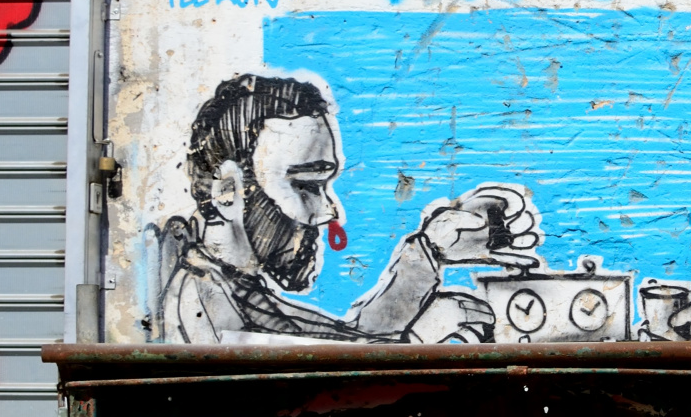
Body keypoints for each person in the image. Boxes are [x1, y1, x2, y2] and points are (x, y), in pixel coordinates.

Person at [157, 73, 539, 343]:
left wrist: (430, 249)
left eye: (326, 185)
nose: (329, 211)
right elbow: (310, 393)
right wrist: (417, 339)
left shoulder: (233, 290)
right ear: (228, 190)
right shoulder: (209, 306)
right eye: (307, 185)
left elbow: (343, 341)